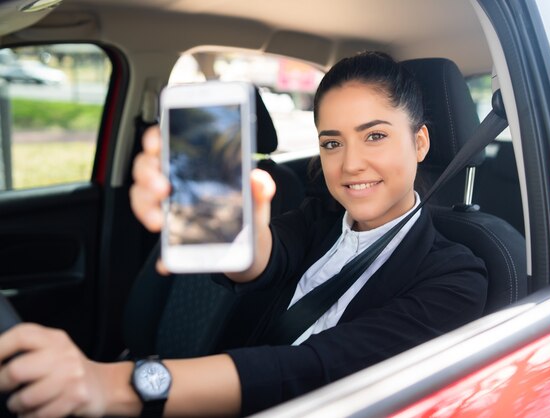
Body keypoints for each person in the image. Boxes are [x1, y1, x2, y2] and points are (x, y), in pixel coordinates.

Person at [0, 51, 487, 417]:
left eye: (375, 135)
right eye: (331, 142)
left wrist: (113, 385)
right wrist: (234, 229)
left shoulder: (455, 275)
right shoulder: (318, 216)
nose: (351, 163)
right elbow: (264, 258)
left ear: (419, 141)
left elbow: (312, 369)